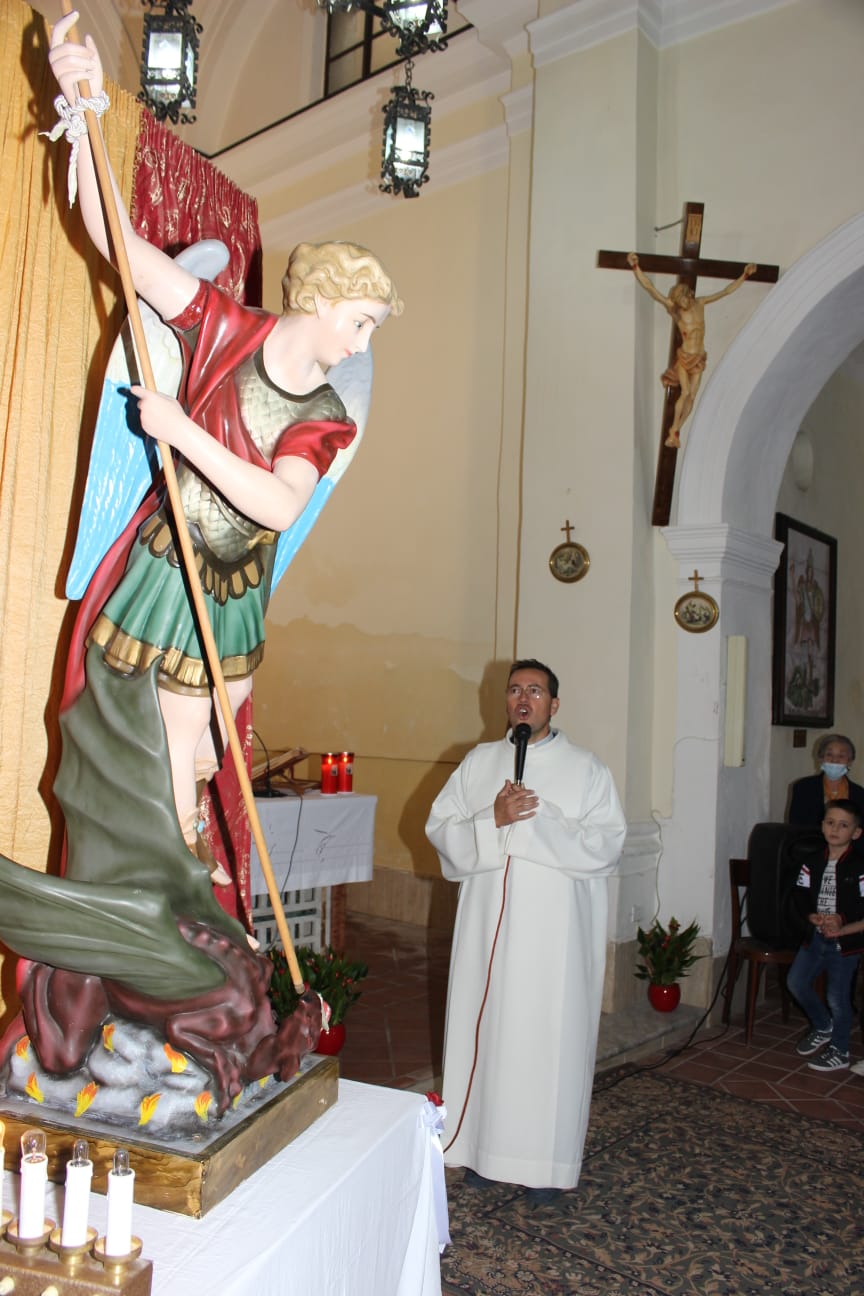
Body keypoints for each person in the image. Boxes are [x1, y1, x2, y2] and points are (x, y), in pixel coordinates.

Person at [49, 14, 401, 883]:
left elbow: (279, 504)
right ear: (320, 301)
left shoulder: (325, 411)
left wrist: (183, 433)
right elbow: (120, 245)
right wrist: (81, 104)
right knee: (177, 725)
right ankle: (177, 872)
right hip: (176, 563)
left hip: (238, 577)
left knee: (222, 722)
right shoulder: (220, 326)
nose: (360, 345)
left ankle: (198, 844)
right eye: (359, 323)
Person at [425, 659, 626, 1200]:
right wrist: (491, 820)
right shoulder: (479, 762)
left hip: (554, 941)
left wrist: (539, 820)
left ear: (553, 705)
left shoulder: (586, 769)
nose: (523, 699)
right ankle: (483, 1153)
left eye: (535, 691)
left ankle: (546, 1166)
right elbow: (440, 829)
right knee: (490, 1035)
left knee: (547, 1043)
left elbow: (606, 845)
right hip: (486, 930)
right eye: (515, 689)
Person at [626, 252, 756, 446]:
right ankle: (673, 429)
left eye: (683, 300)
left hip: (699, 358)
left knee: (692, 398)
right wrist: (635, 267)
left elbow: (726, 291)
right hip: (685, 357)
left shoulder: (700, 303)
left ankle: (675, 431)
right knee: (685, 392)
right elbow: (651, 288)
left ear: (689, 295)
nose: (682, 304)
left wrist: (744, 275)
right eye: (678, 302)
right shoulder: (676, 311)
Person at [788, 799, 864, 1072]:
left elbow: (861, 905)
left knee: (837, 997)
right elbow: (800, 894)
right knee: (796, 982)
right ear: (822, 826)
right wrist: (811, 915)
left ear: (856, 832)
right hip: (816, 938)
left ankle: (840, 1051)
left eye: (843, 825)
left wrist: (842, 920)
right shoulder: (811, 862)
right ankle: (823, 1025)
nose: (835, 829)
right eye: (830, 822)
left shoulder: (859, 867)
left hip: (845, 944)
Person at [788, 733, 864, 829]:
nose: (834, 760)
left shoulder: (860, 794)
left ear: (850, 761)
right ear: (821, 758)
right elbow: (795, 827)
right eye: (829, 754)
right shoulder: (803, 788)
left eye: (841, 756)